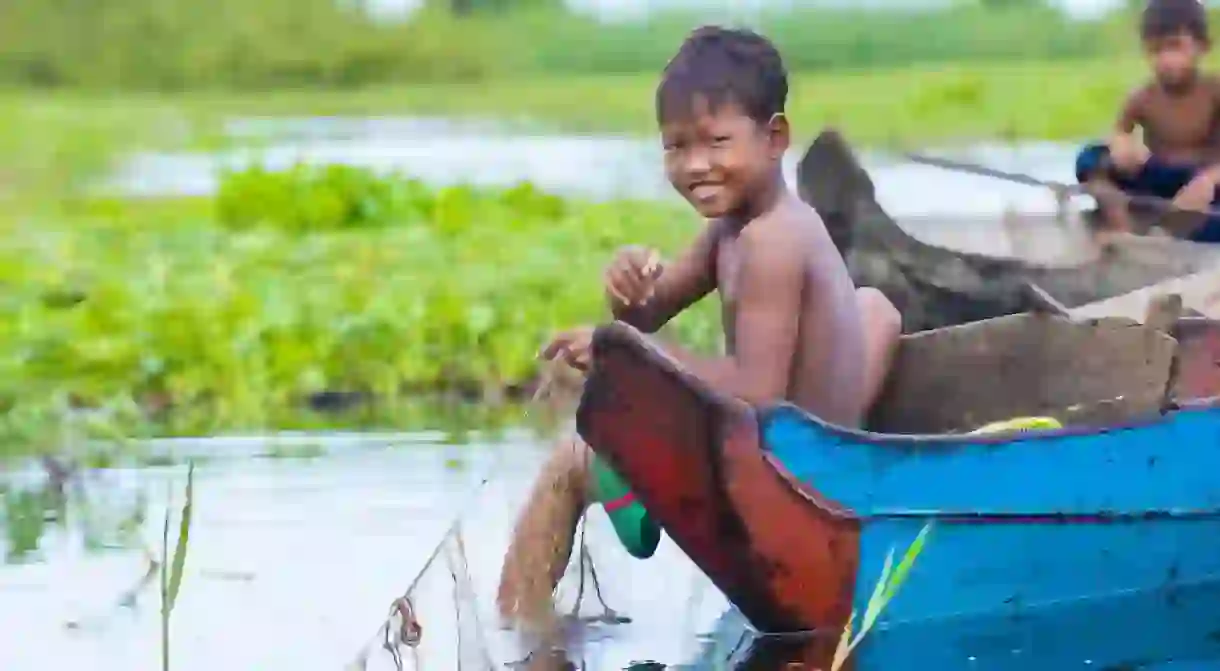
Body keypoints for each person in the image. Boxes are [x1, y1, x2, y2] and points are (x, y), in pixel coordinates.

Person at [495, 25, 902, 630]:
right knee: (874, 307)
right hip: (797, 450)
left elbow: (757, 394)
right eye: (675, 147)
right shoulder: (734, 228)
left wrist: (628, 354)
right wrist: (627, 292)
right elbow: (646, 313)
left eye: (716, 142)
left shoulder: (770, 241)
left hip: (792, 479)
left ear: (775, 138)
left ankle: (515, 629)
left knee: (570, 462)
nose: (695, 166)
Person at [1075, 0, 1220, 242]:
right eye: (1156, 50)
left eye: (1175, 47)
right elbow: (1119, 133)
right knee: (1089, 158)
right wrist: (1123, 148)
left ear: (1202, 46)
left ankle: (1171, 232)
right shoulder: (1143, 97)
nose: (1165, 59)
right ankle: (1123, 226)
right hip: (1159, 178)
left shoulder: (1213, 92)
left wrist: (1208, 180)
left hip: (1204, 183)